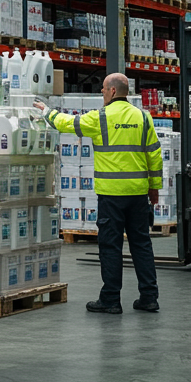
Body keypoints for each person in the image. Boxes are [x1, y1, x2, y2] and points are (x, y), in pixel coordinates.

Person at [34, 73, 162, 315]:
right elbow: (154, 156)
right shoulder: (143, 118)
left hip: (111, 196)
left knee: (110, 247)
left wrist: (46, 111)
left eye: (103, 89)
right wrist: (154, 188)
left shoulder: (101, 118)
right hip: (138, 194)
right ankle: (149, 297)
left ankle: (111, 299)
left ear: (113, 91)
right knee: (142, 245)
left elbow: (66, 124)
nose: (101, 93)